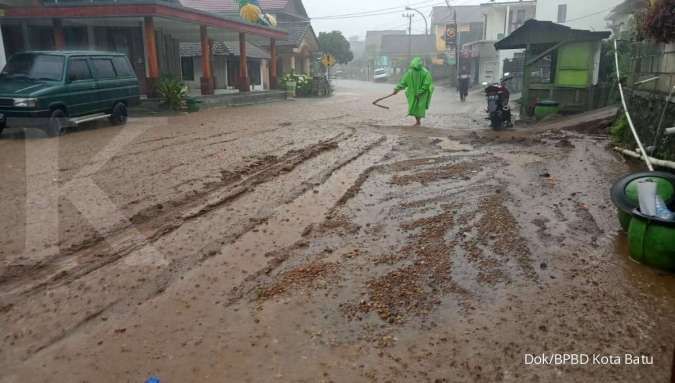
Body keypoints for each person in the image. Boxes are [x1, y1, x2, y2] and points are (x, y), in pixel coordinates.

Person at [393, 57, 434, 127]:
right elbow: (404, 82)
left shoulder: (411, 72)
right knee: (417, 107)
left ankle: (418, 122)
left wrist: (397, 89)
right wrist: (397, 89)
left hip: (419, 94)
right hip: (420, 94)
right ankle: (418, 122)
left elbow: (403, 83)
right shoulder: (425, 72)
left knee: (417, 107)